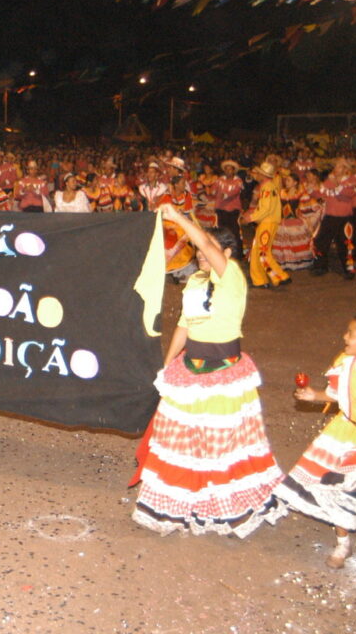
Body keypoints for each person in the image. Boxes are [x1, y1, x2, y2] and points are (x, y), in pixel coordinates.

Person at [131, 203, 286, 538]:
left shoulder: (231, 275)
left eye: (209, 250)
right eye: (200, 252)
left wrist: (179, 218)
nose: (201, 256)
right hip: (190, 368)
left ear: (226, 251)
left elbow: (201, 242)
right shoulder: (196, 282)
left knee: (221, 446)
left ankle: (225, 509)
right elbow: (184, 326)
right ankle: (185, 506)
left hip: (224, 373)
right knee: (185, 444)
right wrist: (168, 365)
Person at [275, 314, 356, 568]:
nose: (344, 337)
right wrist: (315, 395)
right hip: (344, 431)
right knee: (330, 486)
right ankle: (343, 543)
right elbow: (337, 394)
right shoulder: (345, 363)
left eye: (351, 334)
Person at [242, 162, 291, 289]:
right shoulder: (268, 187)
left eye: (257, 173)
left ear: (262, 175)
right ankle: (259, 280)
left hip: (267, 223)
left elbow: (266, 208)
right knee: (256, 250)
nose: (255, 175)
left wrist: (251, 217)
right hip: (267, 222)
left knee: (262, 252)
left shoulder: (267, 188)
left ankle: (280, 276)